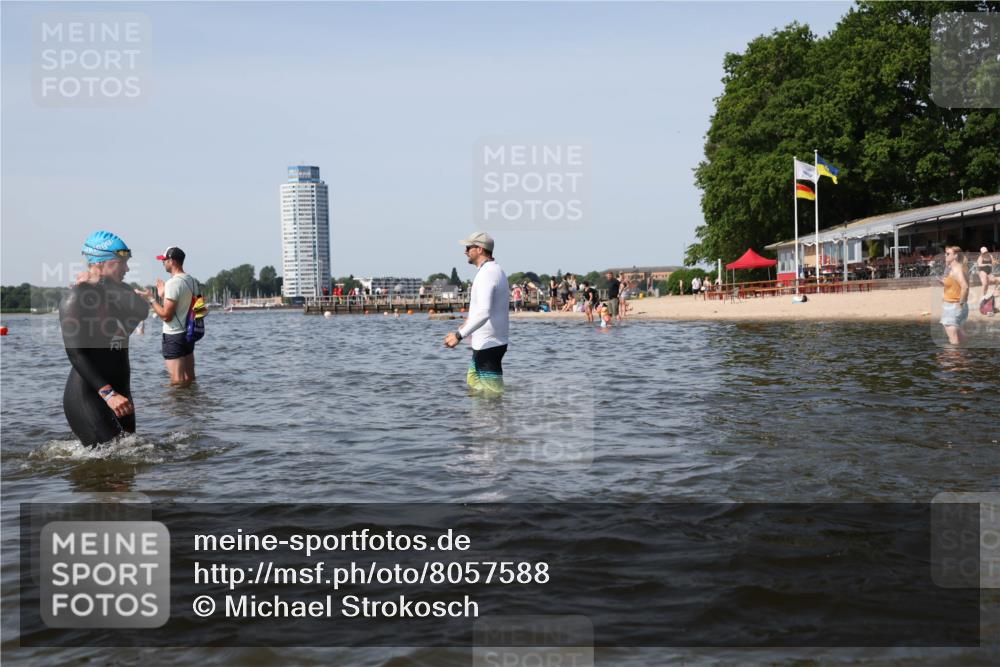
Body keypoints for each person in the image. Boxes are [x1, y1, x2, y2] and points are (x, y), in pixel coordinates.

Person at [60, 231, 150, 447]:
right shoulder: (76, 297)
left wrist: (102, 282)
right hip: (90, 394)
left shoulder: (119, 290)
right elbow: (76, 354)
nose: (127, 269)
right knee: (115, 465)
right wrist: (108, 394)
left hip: (122, 391)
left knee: (127, 465)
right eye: (122, 263)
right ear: (103, 262)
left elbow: (142, 310)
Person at [444, 232, 509, 394]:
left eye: (468, 247)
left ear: (480, 249)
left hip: (489, 344)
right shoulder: (494, 270)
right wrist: (468, 324)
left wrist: (459, 335)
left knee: (492, 394)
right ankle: (477, 419)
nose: (465, 251)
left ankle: (491, 418)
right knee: (473, 382)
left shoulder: (487, 273)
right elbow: (482, 309)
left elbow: (484, 312)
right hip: (488, 342)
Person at [141, 246, 199, 384]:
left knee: (177, 382)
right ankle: (192, 404)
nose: (163, 263)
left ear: (172, 261)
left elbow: (167, 316)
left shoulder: (173, 283)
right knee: (190, 379)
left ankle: (176, 406)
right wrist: (163, 295)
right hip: (189, 334)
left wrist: (151, 298)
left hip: (174, 336)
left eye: (164, 260)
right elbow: (184, 307)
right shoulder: (192, 280)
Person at [939, 246, 969, 345]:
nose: (945, 255)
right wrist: (944, 283)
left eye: (948, 254)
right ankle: (965, 357)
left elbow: (965, 287)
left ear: (955, 256)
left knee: (953, 340)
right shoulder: (957, 268)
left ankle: (954, 359)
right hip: (957, 306)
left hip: (953, 306)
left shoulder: (957, 269)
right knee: (960, 336)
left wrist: (960, 304)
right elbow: (957, 285)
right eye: (945, 253)